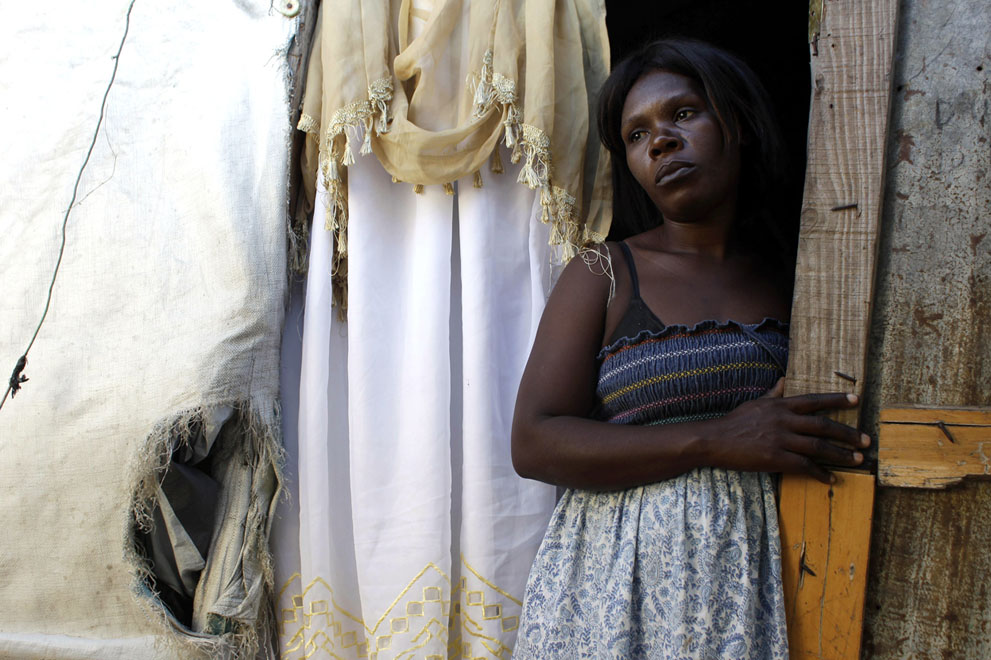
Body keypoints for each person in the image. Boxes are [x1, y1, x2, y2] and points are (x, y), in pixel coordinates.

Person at [510, 38, 870, 659]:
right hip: (616, 587)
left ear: (739, 124)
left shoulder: (802, 278)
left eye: (683, 114)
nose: (660, 142)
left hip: (766, 571)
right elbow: (534, 441)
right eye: (635, 135)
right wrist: (716, 438)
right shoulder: (604, 273)